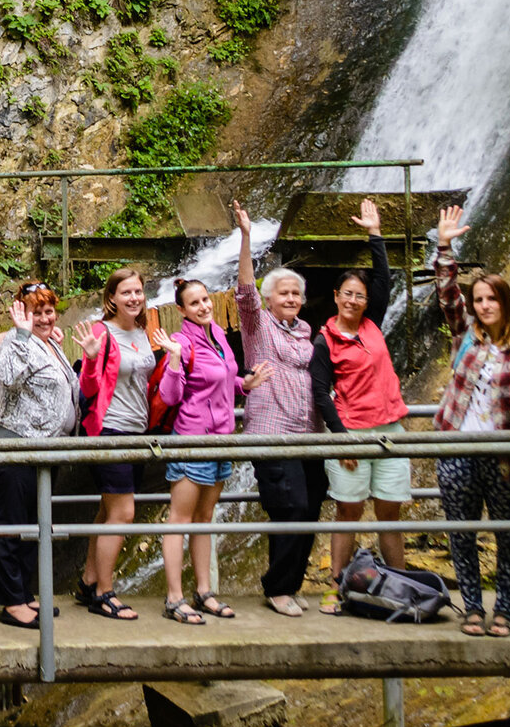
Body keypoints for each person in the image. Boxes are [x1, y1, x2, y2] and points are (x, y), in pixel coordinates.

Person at [433, 205, 510, 638]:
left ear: (505, 302)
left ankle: (505, 610)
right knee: (461, 533)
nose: (483, 306)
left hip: (504, 457)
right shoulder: (466, 337)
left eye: (491, 298)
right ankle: (473, 610)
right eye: (478, 300)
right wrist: (444, 246)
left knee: (507, 535)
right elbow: (446, 295)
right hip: (457, 449)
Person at [308, 198, 411, 615]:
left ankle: (402, 588)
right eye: (347, 294)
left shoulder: (373, 323)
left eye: (359, 295)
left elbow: (385, 281)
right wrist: (343, 438)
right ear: (335, 297)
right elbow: (319, 394)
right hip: (351, 433)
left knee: (389, 512)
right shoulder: (325, 340)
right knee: (347, 511)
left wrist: (375, 233)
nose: (353, 300)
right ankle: (335, 588)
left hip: (390, 430)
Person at [152, 279, 270, 624]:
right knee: (179, 520)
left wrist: (244, 385)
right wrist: (173, 360)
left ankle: (204, 592)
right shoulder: (181, 342)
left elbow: (222, 379)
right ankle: (174, 598)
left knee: (204, 520)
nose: (204, 306)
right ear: (181, 310)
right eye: (195, 303)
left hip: (222, 440)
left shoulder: (217, 334)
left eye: (205, 299)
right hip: (192, 441)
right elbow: (172, 395)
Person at [233, 200, 327, 618]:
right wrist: (247, 237)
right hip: (272, 431)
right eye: (282, 293)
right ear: (269, 300)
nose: (290, 298)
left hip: (308, 433)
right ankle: (278, 588)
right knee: (289, 506)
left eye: (295, 294)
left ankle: (289, 582)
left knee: (310, 504)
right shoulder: (259, 327)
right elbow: (245, 293)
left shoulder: (307, 336)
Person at [0, 281, 78, 628]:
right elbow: (8, 379)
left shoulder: (48, 343)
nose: (43, 318)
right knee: (12, 524)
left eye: (48, 311)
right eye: (35, 312)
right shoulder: (17, 341)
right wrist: (22, 335)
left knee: (33, 525)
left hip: (45, 449)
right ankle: (11, 602)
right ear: (21, 313)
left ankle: (24, 593)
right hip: (17, 447)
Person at [72, 267, 154, 621]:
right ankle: (104, 593)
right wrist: (90, 359)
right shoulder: (101, 332)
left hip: (137, 431)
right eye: (126, 293)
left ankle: (89, 581)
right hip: (109, 432)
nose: (133, 298)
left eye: (137, 292)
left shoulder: (143, 331)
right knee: (123, 513)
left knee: (108, 511)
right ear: (111, 299)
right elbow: (87, 388)